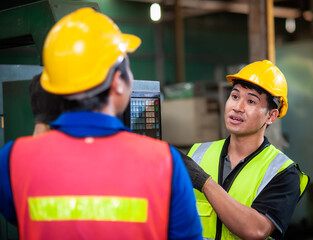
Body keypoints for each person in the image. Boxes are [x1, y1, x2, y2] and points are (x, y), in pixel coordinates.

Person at [0, 7, 202, 240]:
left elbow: (24, 215)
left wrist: (42, 124)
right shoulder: (165, 163)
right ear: (118, 82)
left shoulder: (12, 159)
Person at [182, 60, 309, 240]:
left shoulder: (283, 173)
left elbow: (256, 230)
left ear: (271, 116)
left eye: (251, 101)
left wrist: (204, 182)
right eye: (234, 96)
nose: (237, 107)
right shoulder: (197, 153)